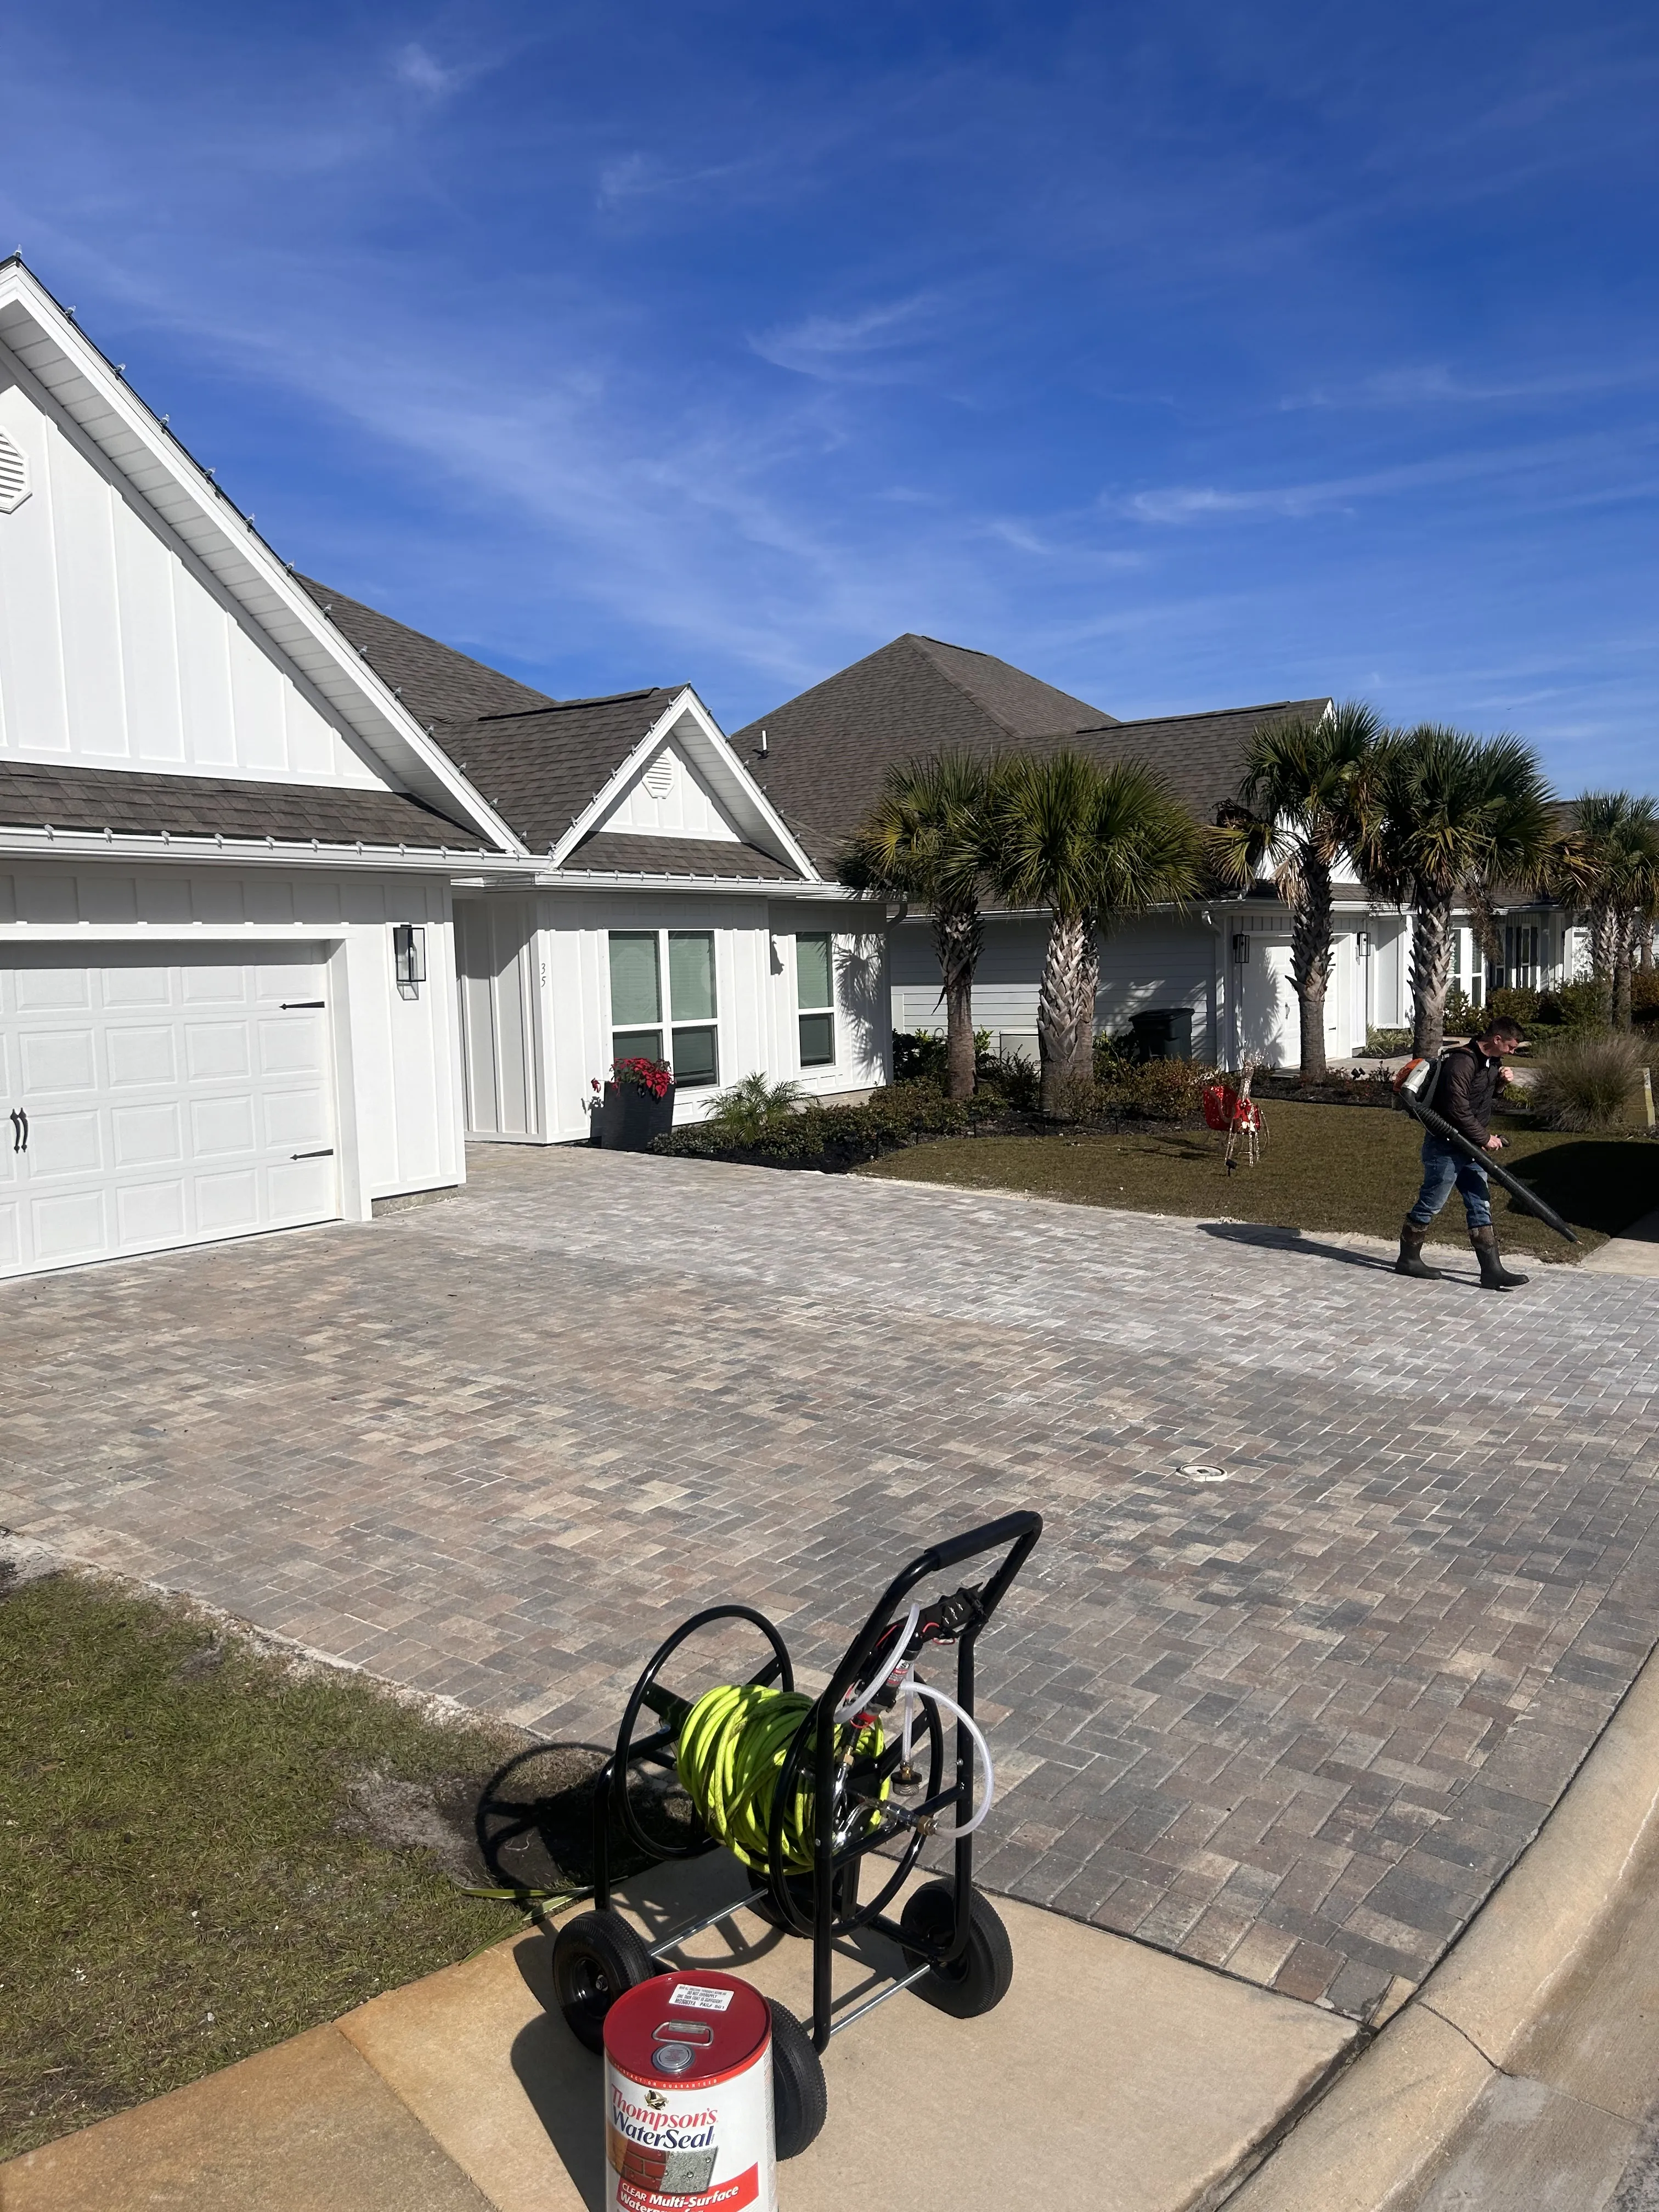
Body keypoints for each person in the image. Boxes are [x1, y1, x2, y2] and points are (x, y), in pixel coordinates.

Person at [1396, 1016, 1529, 1291]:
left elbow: (1479, 1098)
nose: (1512, 1052)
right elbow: (1456, 1109)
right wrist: (1485, 1138)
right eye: (1511, 1047)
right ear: (1496, 1040)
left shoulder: (1491, 1062)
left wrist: (1501, 1083)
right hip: (1445, 1146)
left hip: (1471, 1147)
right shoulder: (1461, 1062)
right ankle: (1408, 1259)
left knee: (1480, 1203)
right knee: (1432, 1202)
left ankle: (1492, 1271)